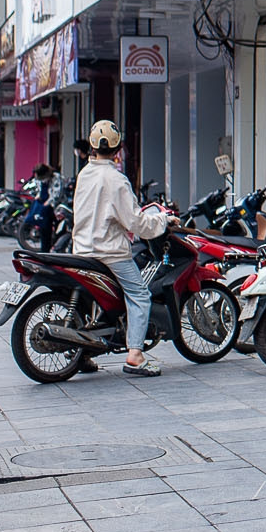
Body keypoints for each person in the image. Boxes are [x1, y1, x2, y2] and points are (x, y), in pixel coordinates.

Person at [71, 120, 168, 376]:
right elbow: (135, 221)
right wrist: (163, 219)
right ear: (118, 148)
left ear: (92, 146)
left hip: (82, 250)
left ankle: (82, 353)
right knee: (139, 295)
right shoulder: (116, 180)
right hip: (110, 254)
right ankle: (135, 354)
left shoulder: (85, 174)